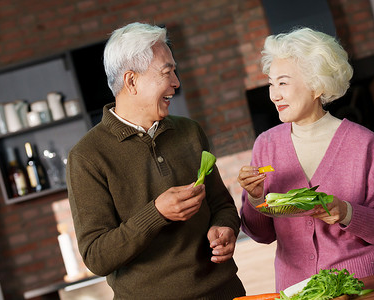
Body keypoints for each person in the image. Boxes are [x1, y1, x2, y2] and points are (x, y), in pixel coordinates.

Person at [66, 22, 245, 299]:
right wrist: (156, 213)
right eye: (167, 72)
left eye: (175, 70)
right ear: (131, 81)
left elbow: (222, 204)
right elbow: (96, 256)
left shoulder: (189, 131)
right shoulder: (87, 157)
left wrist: (225, 228)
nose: (176, 82)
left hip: (225, 292)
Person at [237, 27, 374, 292]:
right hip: (296, 292)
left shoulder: (363, 144)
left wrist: (347, 212)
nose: (274, 95)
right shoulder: (266, 145)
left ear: (317, 85)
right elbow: (261, 234)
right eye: (271, 84)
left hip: (358, 288)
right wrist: (255, 198)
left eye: (283, 83)